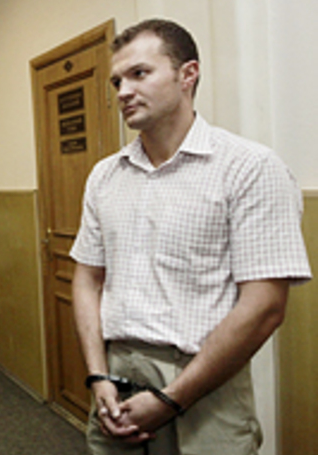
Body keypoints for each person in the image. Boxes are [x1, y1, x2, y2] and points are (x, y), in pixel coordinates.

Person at [70, 18, 311, 455]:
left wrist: (170, 399)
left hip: (206, 383)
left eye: (139, 73)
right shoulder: (105, 176)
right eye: (117, 81)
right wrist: (98, 376)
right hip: (116, 375)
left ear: (188, 74)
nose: (123, 91)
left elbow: (264, 307)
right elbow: (87, 280)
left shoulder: (249, 167)